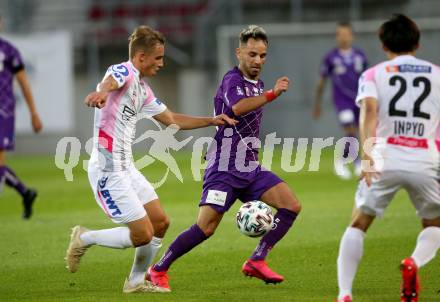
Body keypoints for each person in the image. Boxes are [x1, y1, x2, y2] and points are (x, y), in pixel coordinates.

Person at [64, 25, 237, 293]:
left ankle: (134, 282)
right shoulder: (123, 71)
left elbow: (172, 120)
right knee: (142, 234)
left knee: (160, 223)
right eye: (157, 58)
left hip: (127, 167)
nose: (161, 63)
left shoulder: (143, 90)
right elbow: (110, 81)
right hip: (108, 171)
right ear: (141, 57)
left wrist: (211, 120)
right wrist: (102, 92)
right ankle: (84, 237)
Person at [147, 25, 302, 292]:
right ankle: (157, 269)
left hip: (249, 165)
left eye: (263, 56)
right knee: (205, 228)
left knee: (291, 206)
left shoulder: (259, 84)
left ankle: (257, 259)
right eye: (252, 54)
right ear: (239, 52)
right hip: (224, 165)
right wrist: (272, 94)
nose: (257, 61)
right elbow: (238, 108)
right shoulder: (233, 80)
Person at [335, 14, 440, 302]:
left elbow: (369, 113)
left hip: (384, 157)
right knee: (434, 225)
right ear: (417, 43)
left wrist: (367, 157)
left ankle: (344, 294)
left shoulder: (373, 74)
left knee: (358, 223)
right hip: (425, 157)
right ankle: (413, 263)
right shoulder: (437, 74)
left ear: (383, 44)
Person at [0, 15, 43, 218]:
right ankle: (25, 193)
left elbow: (24, 83)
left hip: (3, 112)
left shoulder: (8, 51)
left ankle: (25, 193)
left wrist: (34, 113)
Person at [313, 22, 368, 179]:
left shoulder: (360, 56)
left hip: (358, 99)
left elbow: (366, 79)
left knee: (357, 131)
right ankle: (348, 162)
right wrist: (317, 104)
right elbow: (321, 81)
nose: (343, 37)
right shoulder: (331, 58)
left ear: (352, 36)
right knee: (349, 129)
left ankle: (348, 160)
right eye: (340, 34)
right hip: (341, 100)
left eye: (346, 34)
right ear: (337, 36)